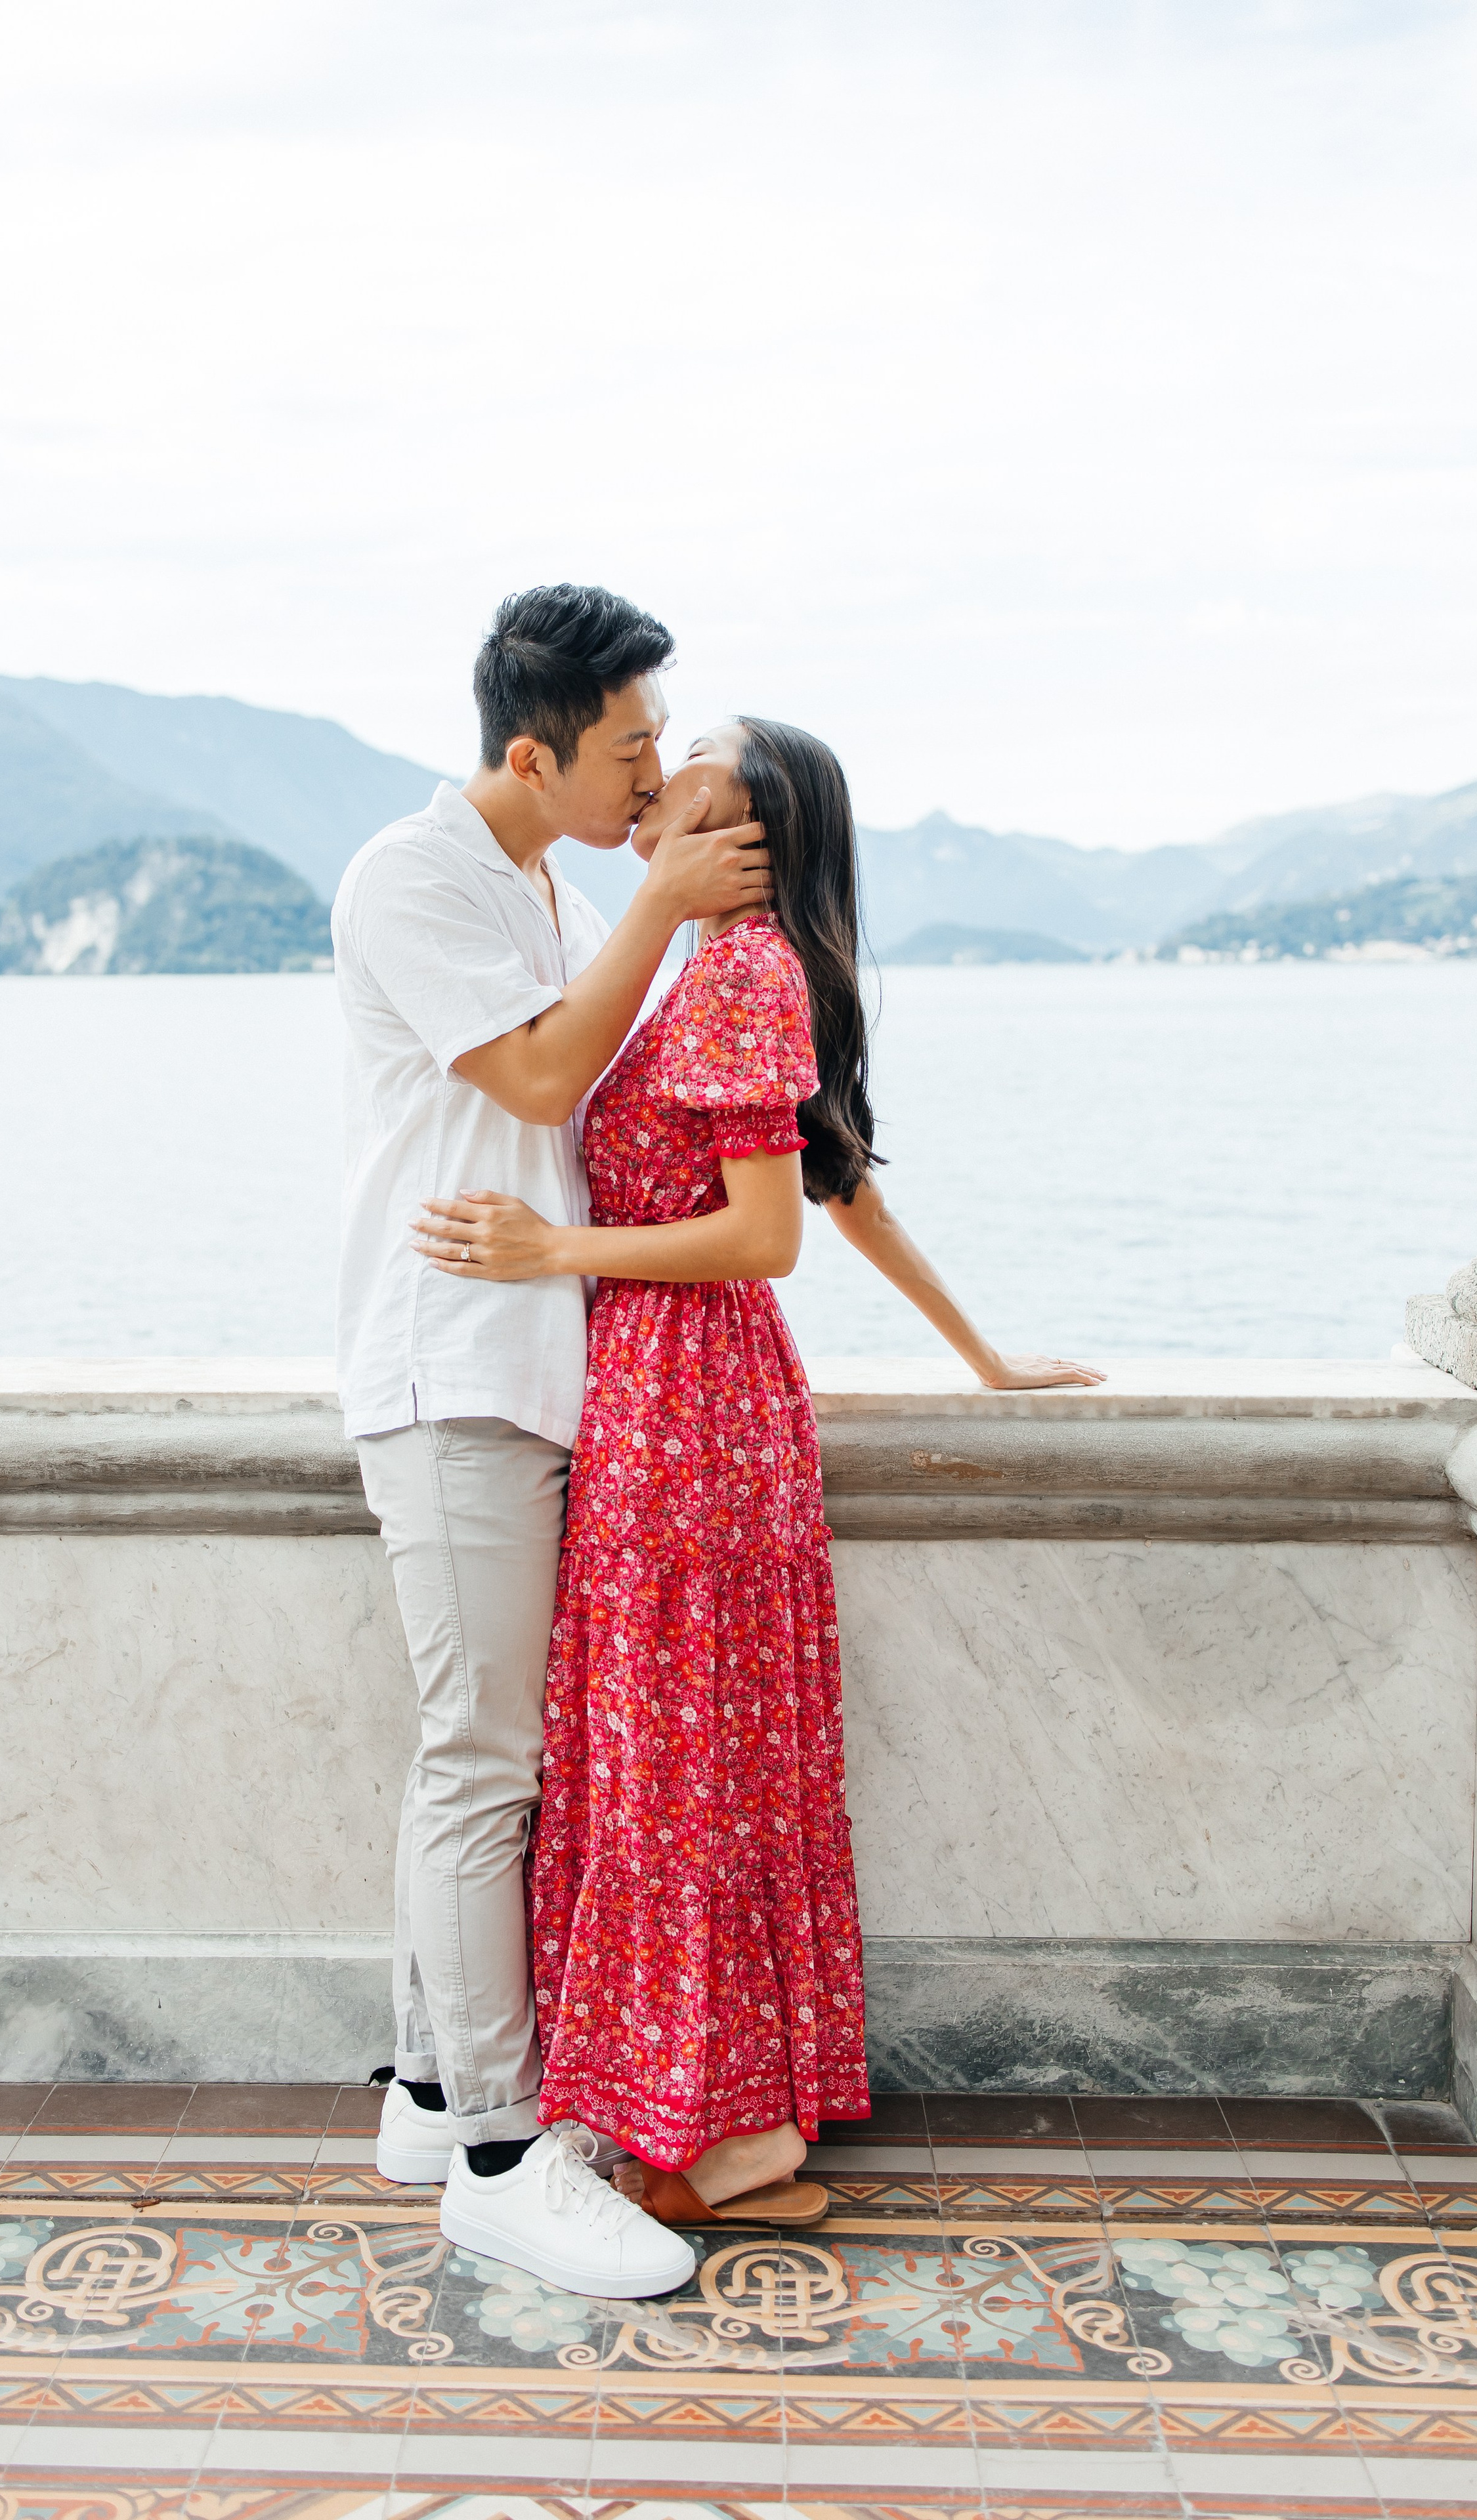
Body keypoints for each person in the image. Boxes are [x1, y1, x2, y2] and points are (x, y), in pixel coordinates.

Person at [412, 717, 1102, 2270]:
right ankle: (734, 2126)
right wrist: (981, 1352)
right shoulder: (711, 960)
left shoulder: (731, 970)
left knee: (676, 1766)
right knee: (707, 1758)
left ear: (757, 821)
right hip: (693, 1400)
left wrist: (551, 1253)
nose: (669, 762)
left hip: (681, 1399)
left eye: (703, 750)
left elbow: (765, 1231)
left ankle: (700, 2141)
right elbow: (837, 1170)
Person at [333, 588, 769, 2301]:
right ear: (532, 751)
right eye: (629, 749)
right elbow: (533, 1079)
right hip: (450, 1371)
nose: (649, 772)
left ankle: (434, 2098)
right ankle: (506, 2162)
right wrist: (662, 906)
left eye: (661, 745)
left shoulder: (551, 888)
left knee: (476, 1753)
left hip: (528, 1369)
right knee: (479, 1763)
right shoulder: (415, 874)